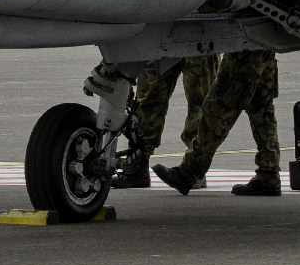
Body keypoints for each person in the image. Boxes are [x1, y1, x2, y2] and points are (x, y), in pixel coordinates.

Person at [154, 48, 283, 197]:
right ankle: (269, 173)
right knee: (262, 108)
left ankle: (189, 172)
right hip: (264, 46)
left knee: (217, 108)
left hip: (245, 50)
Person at [113, 56, 218, 188]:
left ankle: (194, 169)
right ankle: (138, 163)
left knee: (200, 102)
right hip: (160, 44)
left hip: (199, 45)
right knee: (148, 96)